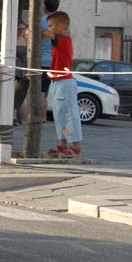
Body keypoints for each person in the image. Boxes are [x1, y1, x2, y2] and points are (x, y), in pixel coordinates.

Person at [42, 11, 82, 157]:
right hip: (57, 82)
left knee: (70, 115)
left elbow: (48, 34)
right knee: (59, 116)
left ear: (61, 26)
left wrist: (38, 30)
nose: (49, 28)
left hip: (65, 83)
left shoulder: (65, 40)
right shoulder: (58, 41)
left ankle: (76, 145)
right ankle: (62, 144)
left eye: (51, 25)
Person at [39, 0, 60, 121]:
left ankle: (39, 116)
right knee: (44, 92)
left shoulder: (42, 20)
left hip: (40, 59)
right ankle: (43, 116)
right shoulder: (60, 22)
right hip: (53, 61)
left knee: (38, 92)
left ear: (44, 6)